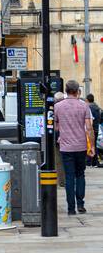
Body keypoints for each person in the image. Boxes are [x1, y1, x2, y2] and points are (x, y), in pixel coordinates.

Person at [55, 80, 93, 215]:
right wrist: (92, 146)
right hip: (81, 146)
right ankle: (80, 204)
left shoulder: (58, 107)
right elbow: (89, 128)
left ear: (66, 91)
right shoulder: (84, 106)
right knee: (80, 175)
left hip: (66, 147)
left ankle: (71, 208)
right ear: (77, 91)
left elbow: (56, 127)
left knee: (69, 177)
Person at [87, 92, 102, 167]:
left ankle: (89, 162)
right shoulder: (97, 107)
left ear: (87, 100)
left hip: (90, 128)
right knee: (94, 145)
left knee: (89, 144)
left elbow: (89, 119)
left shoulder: (89, 107)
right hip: (96, 128)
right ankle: (94, 162)